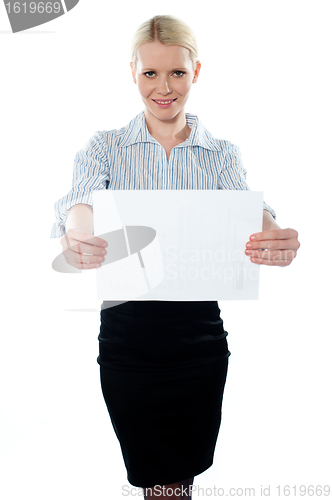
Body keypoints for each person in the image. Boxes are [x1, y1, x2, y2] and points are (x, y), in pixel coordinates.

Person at [50, 15, 300, 499]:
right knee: (155, 475)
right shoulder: (105, 148)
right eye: (150, 73)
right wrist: (78, 234)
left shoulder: (220, 154)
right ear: (132, 73)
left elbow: (250, 211)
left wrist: (275, 238)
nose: (164, 87)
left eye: (177, 73)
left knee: (178, 478)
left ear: (196, 72)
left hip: (197, 341)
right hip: (128, 339)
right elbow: (79, 203)